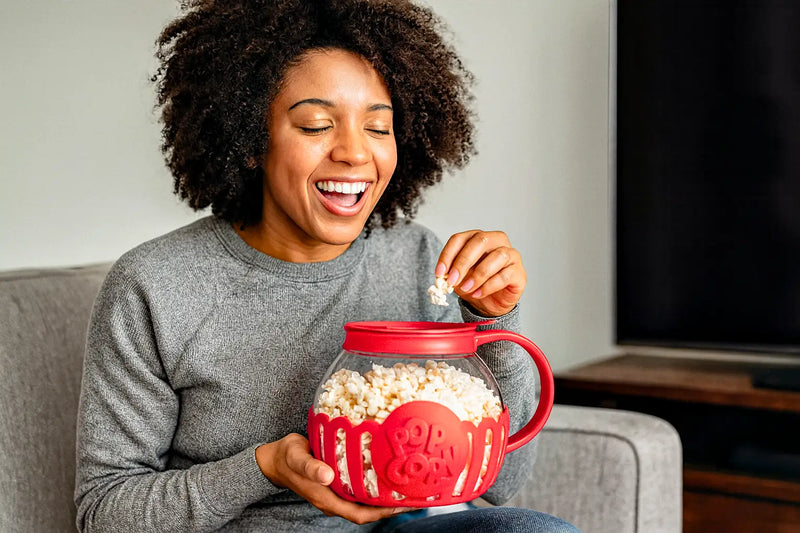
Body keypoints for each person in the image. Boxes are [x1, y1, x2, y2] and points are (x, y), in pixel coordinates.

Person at [74, 1, 579, 532]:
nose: (355, 153)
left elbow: (502, 482)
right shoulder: (155, 285)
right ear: (250, 141)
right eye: (316, 125)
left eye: (379, 128)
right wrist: (264, 468)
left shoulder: (420, 261)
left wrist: (494, 319)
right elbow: (102, 513)